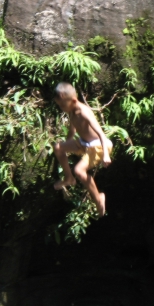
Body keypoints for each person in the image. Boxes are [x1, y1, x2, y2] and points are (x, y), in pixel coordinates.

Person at [52, 82, 112, 217]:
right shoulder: (71, 111)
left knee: (79, 170)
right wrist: (67, 144)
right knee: (58, 148)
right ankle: (69, 178)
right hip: (84, 143)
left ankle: (98, 198)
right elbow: (72, 130)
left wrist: (106, 155)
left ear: (73, 100)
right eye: (59, 105)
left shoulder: (84, 112)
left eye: (62, 105)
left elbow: (101, 134)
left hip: (99, 146)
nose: (61, 108)